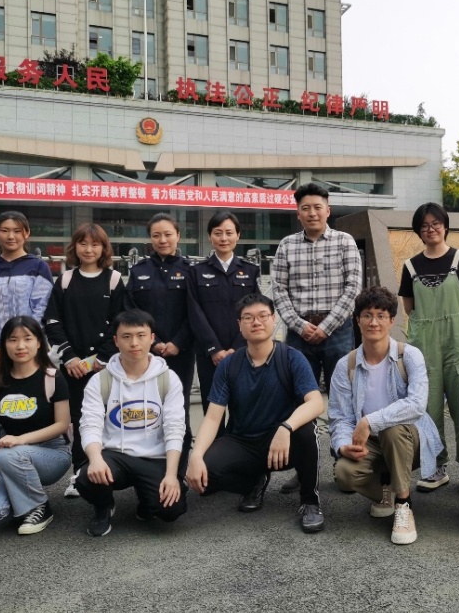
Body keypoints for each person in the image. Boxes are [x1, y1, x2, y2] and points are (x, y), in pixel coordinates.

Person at [186, 294, 326, 533]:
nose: (256, 322)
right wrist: (196, 456)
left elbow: (315, 403)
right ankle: (254, 480)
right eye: (248, 318)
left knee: (307, 431)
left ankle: (310, 501)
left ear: (273, 319)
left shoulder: (292, 358)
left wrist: (286, 427)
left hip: (282, 443)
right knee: (205, 477)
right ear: (239, 325)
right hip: (244, 441)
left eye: (262, 316)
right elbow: (213, 417)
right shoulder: (229, 364)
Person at [329, 287, 443, 545]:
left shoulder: (409, 355)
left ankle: (404, 504)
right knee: (344, 473)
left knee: (392, 429)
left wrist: (370, 421)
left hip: (408, 440)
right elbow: (339, 417)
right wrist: (343, 445)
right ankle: (386, 487)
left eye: (381, 316)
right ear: (357, 320)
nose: (374, 322)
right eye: (367, 315)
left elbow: (416, 405)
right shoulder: (346, 365)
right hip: (369, 443)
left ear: (392, 320)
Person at [271, 182, 362, 494]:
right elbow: (279, 291)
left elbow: (353, 287)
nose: (312, 212)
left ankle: (343, 466)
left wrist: (326, 326)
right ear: (298, 213)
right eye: (305, 208)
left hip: (338, 332)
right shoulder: (286, 246)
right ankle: (304, 469)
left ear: (328, 210)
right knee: (300, 401)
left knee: (342, 399)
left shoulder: (344, 241)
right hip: (299, 335)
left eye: (317, 207)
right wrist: (299, 325)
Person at [76, 309, 188, 537]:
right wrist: (95, 459)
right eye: (126, 336)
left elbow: (175, 427)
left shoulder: (168, 378)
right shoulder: (100, 380)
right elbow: (90, 423)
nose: (134, 343)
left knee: (171, 510)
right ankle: (104, 506)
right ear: (116, 340)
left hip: (154, 457)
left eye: (140, 335)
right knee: (87, 478)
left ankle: (147, 501)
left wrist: (171, 475)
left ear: (152, 338)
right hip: (115, 455)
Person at [398, 202, 459, 494]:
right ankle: (436, 466)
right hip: (425, 348)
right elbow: (409, 308)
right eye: (424, 226)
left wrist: (457, 325)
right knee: (428, 408)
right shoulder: (411, 266)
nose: (430, 229)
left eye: (436, 223)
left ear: (445, 225)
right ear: (418, 231)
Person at [44, 223, 126, 498]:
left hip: (105, 365)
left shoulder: (114, 280)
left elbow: (120, 323)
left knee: (110, 417)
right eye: (83, 243)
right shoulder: (65, 280)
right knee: (80, 420)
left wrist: (98, 359)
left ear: (104, 248)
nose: (88, 249)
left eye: (95, 244)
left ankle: (111, 469)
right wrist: (70, 358)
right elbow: (52, 321)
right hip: (73, 367)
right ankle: (80, 474)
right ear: (74, 247)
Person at [0, 316, 71, 535]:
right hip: (10, 459)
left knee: (6, 455)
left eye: (27, 338)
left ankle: (39, 507)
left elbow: (62, 424)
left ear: (39, 343)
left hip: (52, 454)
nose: (20, 346)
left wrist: (20, 440)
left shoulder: (52, 377)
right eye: (13, 340)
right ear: (4, 345)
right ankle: (22, 502)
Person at [125, 213, 195, 459]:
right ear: (150, 238)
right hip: (146, 353)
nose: (162, 240)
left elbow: (195, 312)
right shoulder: (139, 271)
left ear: (178, 236)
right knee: (146, 404)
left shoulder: (190, 270)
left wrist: (178, 343)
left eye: (168, 234)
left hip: (181, 352)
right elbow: (131, 310)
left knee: (179, 405)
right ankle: (148, 458)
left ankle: (181, 460)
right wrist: (152, 343)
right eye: (156, 235)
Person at [0, 211, 54, 383]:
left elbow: (43, 310)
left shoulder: (38, 267)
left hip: (30, 352)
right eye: (4, 230)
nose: (11, 236)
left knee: (31, 397)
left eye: (17, 231)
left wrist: (23, 345)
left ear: (26, 233)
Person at [187, 211, 260, 413]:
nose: (224, 238)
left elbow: (255, 311)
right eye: (218, 233)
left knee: (243, 408)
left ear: (238, 235)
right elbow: (194, 312)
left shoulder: (250, 271)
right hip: (209, 354)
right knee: (212, 409)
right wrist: (214, 349)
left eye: (229, 233)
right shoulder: (196, 272)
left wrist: (237, 347)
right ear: (210, 236)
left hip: (243, 351)